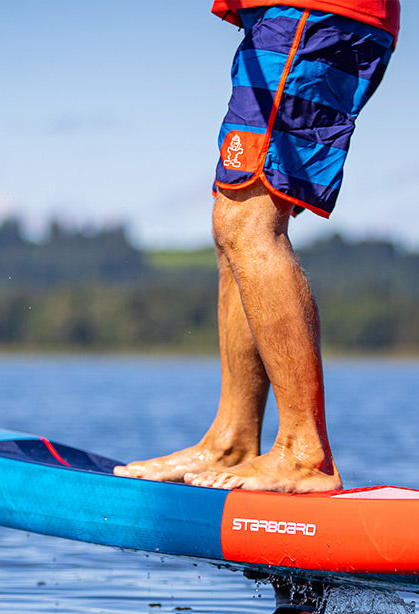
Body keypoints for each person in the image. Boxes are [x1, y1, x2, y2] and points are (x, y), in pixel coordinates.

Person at [114, 1, 400, 493]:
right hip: (279, 21)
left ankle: (304, 452)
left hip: (313, 14)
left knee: (247, 222)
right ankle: (232, 439)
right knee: (234, 222)